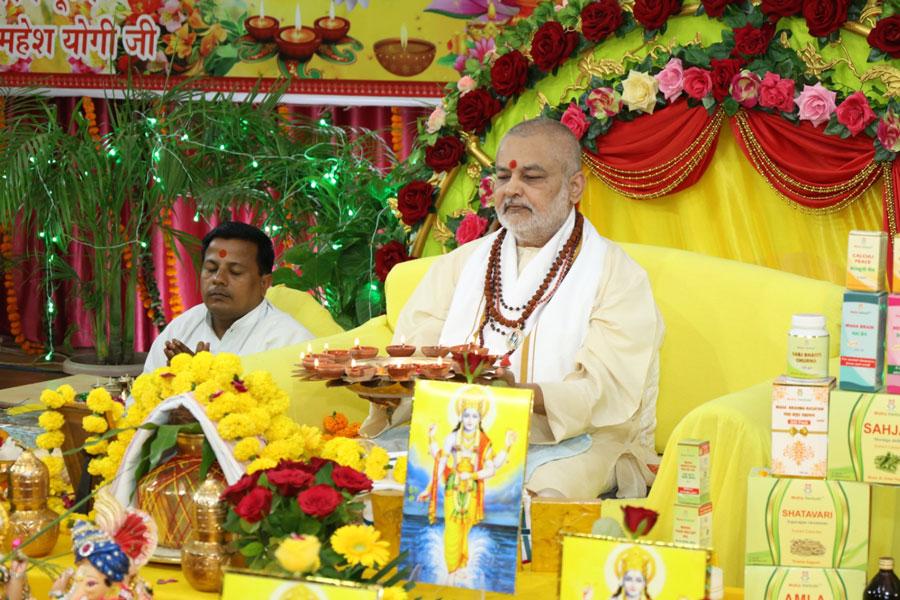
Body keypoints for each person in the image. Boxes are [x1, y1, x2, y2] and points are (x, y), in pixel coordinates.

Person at [362, 118, 664, 499]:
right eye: (503, 177)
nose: (512, 190)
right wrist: (390, 389)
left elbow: (605, 391)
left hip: (572, 439)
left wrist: (519, 396)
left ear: (575, 187)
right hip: (455, 424)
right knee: (362, 470)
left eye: (532, 178)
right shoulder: (462, 264)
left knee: (539, 496)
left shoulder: (617, 276)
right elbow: (417, 350)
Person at [144, 221, 313, 372]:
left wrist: (199, 380)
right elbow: (141, 402)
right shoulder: (180, 330)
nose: (218, 279)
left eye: (235, 272)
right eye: (211, 269)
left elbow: (286, 405)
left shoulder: (289, 341)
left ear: (264, 283)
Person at [416, 386, 516, 576]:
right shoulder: (452, 438)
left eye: (475, 416)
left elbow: (491, 469)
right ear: (460, 416)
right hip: (453, 490)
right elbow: (441, 462)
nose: (470, 420)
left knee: (465, 531)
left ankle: (461, 566)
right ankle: (451, 569)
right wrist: (429, 489)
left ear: (480, 419)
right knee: (452, 530)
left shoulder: (484, 441)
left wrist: (471, 475)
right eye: (467, 415)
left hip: (472, 492)